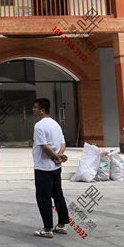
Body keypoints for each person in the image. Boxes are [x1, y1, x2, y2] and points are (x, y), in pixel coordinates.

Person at [31, 98, 69, 239]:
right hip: (55, 167)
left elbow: (44, 146)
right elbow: (63, 143)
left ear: (42, 110)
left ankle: (47, 229)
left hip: (43, 167)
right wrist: (59, 155)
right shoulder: (55, 124)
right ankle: (61, 225)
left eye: (35, 107)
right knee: (58, 195)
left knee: (44, 198)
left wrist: (55, 156)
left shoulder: (39, 126)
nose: (33, 109)